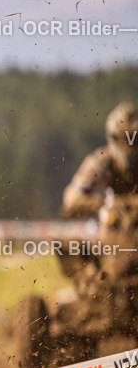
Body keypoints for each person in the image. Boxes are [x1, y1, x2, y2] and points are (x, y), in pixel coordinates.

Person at [58, 102, 138, 285]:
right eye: (123, 139)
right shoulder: (101, 161)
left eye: (133, 138)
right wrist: (103, 204)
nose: (128, 145)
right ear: (113, 137)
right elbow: (71, 199)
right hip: (112, 234)